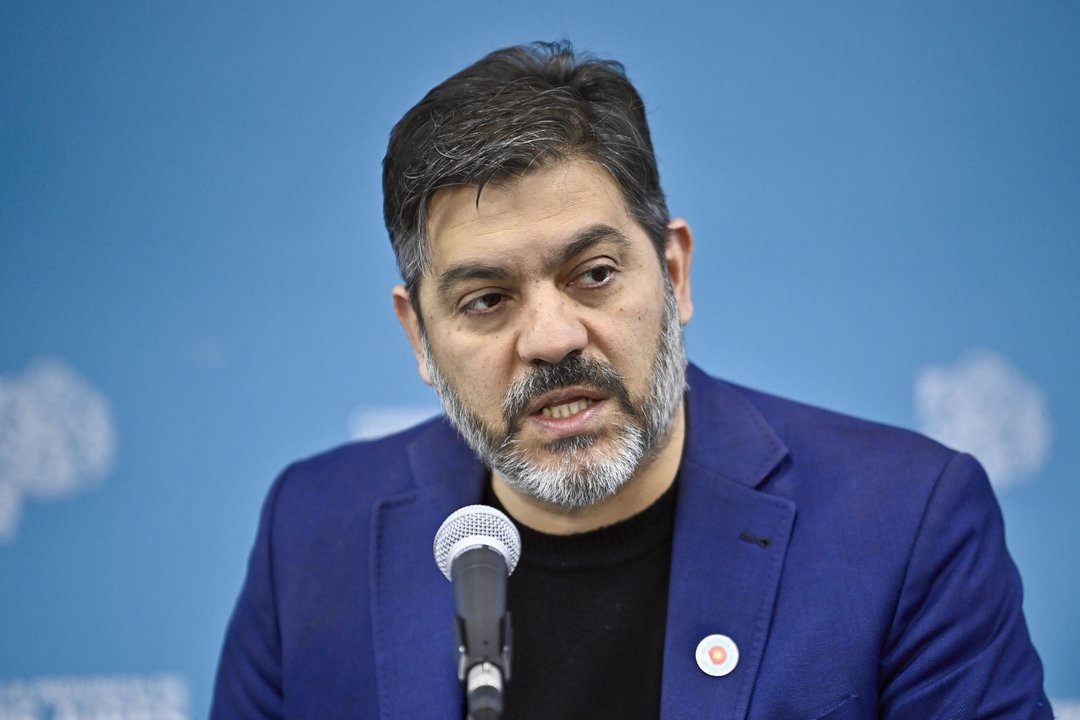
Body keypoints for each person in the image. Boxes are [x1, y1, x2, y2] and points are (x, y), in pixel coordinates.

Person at [211, 42, 1051, 719]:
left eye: (594, 274)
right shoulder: (312, 534)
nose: (552, 339)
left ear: (674, 273)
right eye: (487, 300)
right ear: (420, 338)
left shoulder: (903, 523)